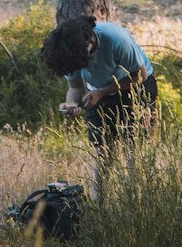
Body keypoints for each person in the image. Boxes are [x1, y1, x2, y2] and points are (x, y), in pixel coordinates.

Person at [40, 14, 157, 199]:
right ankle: (98, 207)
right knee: (102, 153)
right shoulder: (69, 52)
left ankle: (138, 203)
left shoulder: (116, 40)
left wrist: (101, 92)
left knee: (133, 150)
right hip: (99, 92)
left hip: (136, 89)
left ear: (88, 44)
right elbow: (75, 87)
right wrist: (71, 103)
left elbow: (139, 76)